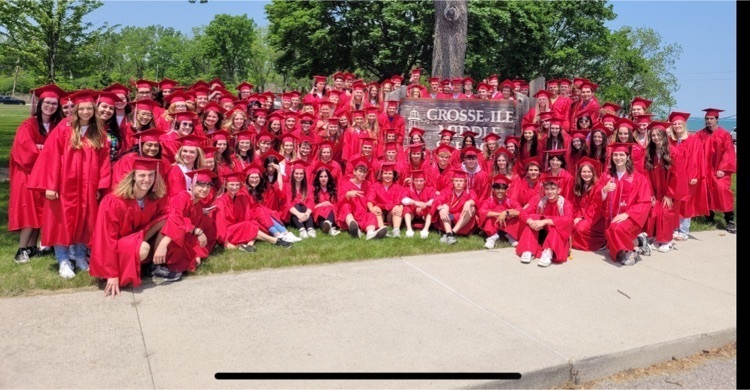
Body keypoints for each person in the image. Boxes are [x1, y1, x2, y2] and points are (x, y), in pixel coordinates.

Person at [28, 90, 112, 279]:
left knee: (85, 221)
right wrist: (51, 185)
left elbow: (103, 162)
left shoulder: (98, 132)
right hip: (64, 186)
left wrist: (100, 186)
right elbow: (51, 157)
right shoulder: (64, 129)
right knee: (61, 223)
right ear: (75, 110)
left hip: (88, 187)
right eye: (81, 108)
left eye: (89, 108)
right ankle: (63, 260)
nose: (85, 112)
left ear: (94, 110)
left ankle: (81, 256)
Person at [89, 158, 171, 295]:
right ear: (133, 176)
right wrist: (111, 273)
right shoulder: (113, 201)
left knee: (167, 220)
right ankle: (117, 274)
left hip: (136, 238)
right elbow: (106, 239)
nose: (147, 179)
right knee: (143, 249)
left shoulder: (155, 198)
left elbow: (172, 216)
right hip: (117, 246)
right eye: (142, 175)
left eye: (151, 175)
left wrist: (164, 244)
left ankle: (152, 266)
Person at [10, 84, 66, 263]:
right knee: (29, 211)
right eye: (47, 102)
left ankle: (32, 246)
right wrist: (46, 153)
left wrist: (44, 150)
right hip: (27, 174)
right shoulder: (28, 125)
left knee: (41, 211)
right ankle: (21, 249)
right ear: (40, 103)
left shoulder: (58, 125)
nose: (50, 106)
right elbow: (24, 150)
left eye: (54, 104)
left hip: (47, 175)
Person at [157, 169, 218, 277]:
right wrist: (197, 231)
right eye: (201, 185)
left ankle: (177, 263)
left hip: (182, 237)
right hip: (166, 234)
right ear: (191, 186)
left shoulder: (198, 205)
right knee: (176, 229)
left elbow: (193, 231)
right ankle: (156, 266)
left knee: (195, 258)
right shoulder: (181, 197)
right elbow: (175, 219)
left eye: (208, 186)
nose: (205, 189)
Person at [600, 143, 652, 266]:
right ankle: (639, 241)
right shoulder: (606, 176)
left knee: (616, 229)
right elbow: (597, 198)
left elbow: (645, 202)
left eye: (621, 155)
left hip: (631, 218)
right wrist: (604, 190)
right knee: (611, 242)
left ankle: (631, 251)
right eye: (615, 155)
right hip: (611, 218)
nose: (618, 158)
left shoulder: (639, 178)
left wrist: (627, 214)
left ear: (628, 157)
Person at [214, 171, 290, 252]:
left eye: (237, 185)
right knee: (248, 225)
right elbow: (220, 225)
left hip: (235, 229)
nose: (235, 187)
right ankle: (275, 240)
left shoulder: (236, 199)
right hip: (227, 233)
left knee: (253, 223)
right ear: (226, 185)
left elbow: (241, 218)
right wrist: (225, 242)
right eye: (231, 184)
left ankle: (248, 245)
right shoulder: (221, 202)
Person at [642, 122, 688, 253]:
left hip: (671, 193)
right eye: (653, 135)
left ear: (664, 136)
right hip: (656, 192)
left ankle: (667, 241)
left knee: (665, 212)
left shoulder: (673, 152)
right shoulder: (650, 153)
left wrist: (669, 194)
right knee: (653, 210)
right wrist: (650, 193)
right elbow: (647, 175)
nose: (656, 138)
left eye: (658, 135)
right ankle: (656, 237)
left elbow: (677, 175)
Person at [694, 108, 736, 233]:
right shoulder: (699, 134)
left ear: (717, 119)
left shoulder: (724, 134)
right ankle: (709, 217)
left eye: (711, 118)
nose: (709, 121)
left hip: (719, 170)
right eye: (707, 119)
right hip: (704, 169)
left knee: (723, 192)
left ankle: (730, 219)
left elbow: (728, 153)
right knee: (705, 192)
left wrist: (723, 168)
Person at [516, 176, 574, 267]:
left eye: (553, 189)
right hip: (542, 234)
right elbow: (523, 212)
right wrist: (530, 221)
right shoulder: (540, 200)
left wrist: (545, 221)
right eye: (547, 189)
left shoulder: (565, 203)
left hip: (557, 237)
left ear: (559, 190)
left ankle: (548, 252)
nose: (550, 192)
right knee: (532, 219)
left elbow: (569, 219)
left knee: (556, 226)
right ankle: (528, 250)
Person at [668, 111, 708, 240]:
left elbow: (697, 159)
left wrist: (694, 176)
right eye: (674, 124)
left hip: (688, 177)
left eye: (680, 123)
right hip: (673, 177)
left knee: (686, 203)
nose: (677, 125)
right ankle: (674, 228)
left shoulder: (693, 139)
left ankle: (684, 230)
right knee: (675, 203)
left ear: (684, 125)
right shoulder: (670, 140)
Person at [337, 157, 389, 240]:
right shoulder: (345, 184)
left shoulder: (368, 184)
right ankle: (353, 226)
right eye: (360, 171)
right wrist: (347, 194)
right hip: (350, 214)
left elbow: (371, 198)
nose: (362, 174)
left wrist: (372, 208)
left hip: (362, 213)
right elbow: (339, 201)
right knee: (345, 206)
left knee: (371, 215)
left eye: (364, 172)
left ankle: (370, 233)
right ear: (354, 171)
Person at [431, 169, 478, 244]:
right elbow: (437, 199)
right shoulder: (448, 191)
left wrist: (469, 202)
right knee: (444, 206)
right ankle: (449, 233)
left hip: (462, 218)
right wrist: (440, 209)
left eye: (461, 181)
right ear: (453, 182)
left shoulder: (469, 192)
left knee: (472, 208)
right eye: (456, 181)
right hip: (451, 217)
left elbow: (475, 199)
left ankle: (451, 234)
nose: (458, 183)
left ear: (465, 183)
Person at [571, 157, 606, 251]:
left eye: (589, 172)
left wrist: (582, 218)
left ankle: (602, 242)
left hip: (596, 218)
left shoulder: (598, 185)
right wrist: (576, 217)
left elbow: (596, 206)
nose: (586, 174)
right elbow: (576, 205)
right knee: (570, 225)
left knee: (580, 228)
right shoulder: (579, 186)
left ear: (593, 173)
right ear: (580, 173)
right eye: (584, 172)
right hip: (583, 216)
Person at [478, 174, 521, 249]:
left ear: (506, 190)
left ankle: (510, 236)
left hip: (507, 224)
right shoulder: (489, 201)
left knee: (515, 218)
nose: (500, 191)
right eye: (497, 188)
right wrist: (500, 214)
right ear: (493, 190)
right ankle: (492, 237)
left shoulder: (510, 201)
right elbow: (481, 211)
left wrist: (506, 213)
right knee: (489, 217)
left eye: (503, 189)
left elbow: (520, 211)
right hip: (494, 224)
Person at [367, 162, 405, 237]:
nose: (387, 176)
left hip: (391, 214)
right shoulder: (374, 186)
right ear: (381, 175)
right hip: (380, 213)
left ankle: (396, 230)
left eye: (390, 174)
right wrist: (372, 208)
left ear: (393, 175)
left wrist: (400, 208)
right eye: (385, 173)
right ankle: (382, 230)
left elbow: (400, 201)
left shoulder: (398, 187)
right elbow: (369, 200)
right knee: (375, 207)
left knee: (397, 207)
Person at [286, 159, 317, 239]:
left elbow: (311, 201)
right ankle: (302, 229)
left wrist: (306, 214)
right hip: (293, 214)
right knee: (296, 205)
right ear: (293, 174)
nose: (299, 176)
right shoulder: (288, 186)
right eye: (296, 173)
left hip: (305, 213)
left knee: (303, 206)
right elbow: (288, 204)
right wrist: (298, 214)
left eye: (301, 174)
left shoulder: (308, 187)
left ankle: (310, 229)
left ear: (304, 174)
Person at [400, 170, 436, 239]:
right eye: (416, 180)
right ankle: (409, 229)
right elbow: (403, 199)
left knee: (430, 208)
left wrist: (425, 204)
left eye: (421, 180)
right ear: (412, 181)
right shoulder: (408, 189)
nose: (419, 183)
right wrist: (415, 202)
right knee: (406, 207)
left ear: (425, 181)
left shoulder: (429, 189)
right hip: (412, 212)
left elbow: (434, 200)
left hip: (424, 213)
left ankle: (425, 230)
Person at [311, 163, 342, 236]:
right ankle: (329, 227)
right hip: (317, 212)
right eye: (321, 177)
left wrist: (329, 205)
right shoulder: (313, 190)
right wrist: (322, 204)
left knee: (329, 208)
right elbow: (311, 206)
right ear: (318, 178)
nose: (323, 179)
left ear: (329, 178)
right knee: (323, 209)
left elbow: (336, 204)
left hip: (331, 212)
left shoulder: (333, 190)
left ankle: (327, 227)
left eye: (325, 176)